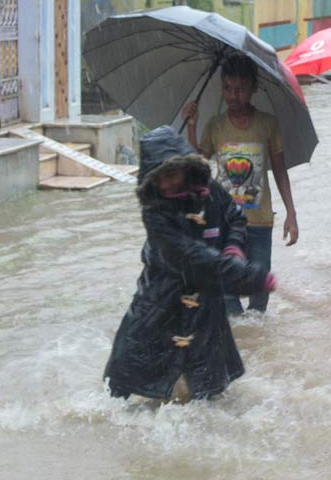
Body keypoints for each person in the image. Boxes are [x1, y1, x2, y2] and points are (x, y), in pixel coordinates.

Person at [103, 126, 277, 403]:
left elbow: (235, 217)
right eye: (159, 179)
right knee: (122, 393)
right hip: (160, 302)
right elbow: (193, 258)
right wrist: (248, 277)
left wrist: (233, 247)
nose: (168, 184)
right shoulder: (155, 214)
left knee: (210, 398)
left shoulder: (211, 192)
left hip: (206, 308)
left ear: (186, 168)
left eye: (172, 174)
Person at [182, 53, 298, 314]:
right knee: (227, 297)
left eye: (240, 90)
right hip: (223, 224)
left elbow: (280, 171)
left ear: (253, 89)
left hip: (259, 224)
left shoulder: (267, 124)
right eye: (227, 88)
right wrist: (192, 126)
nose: (233, 96)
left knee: (259, 297)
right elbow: (197, 168)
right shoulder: (215, 126)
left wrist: (291, 212)